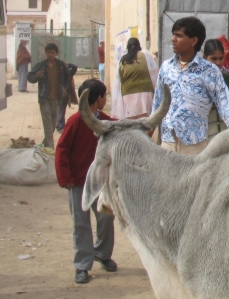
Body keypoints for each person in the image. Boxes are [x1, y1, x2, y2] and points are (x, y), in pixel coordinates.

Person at [151, 17, 229, 155]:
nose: (173, 39)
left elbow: (228, 109)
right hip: (167, 145)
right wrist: (145, 137)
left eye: (178, 35)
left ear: (193, 41)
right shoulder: (166, 68)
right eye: (173, 34)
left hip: (195, 148)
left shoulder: (210, 72)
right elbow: (156, 107)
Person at [55, 79, 116, 285]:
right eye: (104, 96)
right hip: (78, 182)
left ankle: (102, 253)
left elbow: (119, 126)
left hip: (99, 181)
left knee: (106, 218)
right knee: (81, 224)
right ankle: (82, 265)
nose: (105, 100)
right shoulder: (75, 122)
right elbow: (61, 150)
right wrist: (65, 178)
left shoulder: (105, 121)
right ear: (98, 99)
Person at [28, 43, 78, 148]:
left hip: (57, 99)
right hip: (44, 98)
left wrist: (64, 87)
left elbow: (68, 75)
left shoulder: (60, 65)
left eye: (53, 52)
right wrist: (36, 76)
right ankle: (51, 149)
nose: (51, 54)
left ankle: (44, 145)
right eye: (49, 52)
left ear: (56, 53)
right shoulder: (41, 65)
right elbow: (30, 77)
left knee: (53, 124)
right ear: (46, 53)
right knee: (48, 125)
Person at [112, 38, 158, 119]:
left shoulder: (122, 61)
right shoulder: (145, 55)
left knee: (131, 124)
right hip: (145, 95)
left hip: (127, 96)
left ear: (128, 47)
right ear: (139, 45)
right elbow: (155, 75)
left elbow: (118, 82)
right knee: (147, 123)